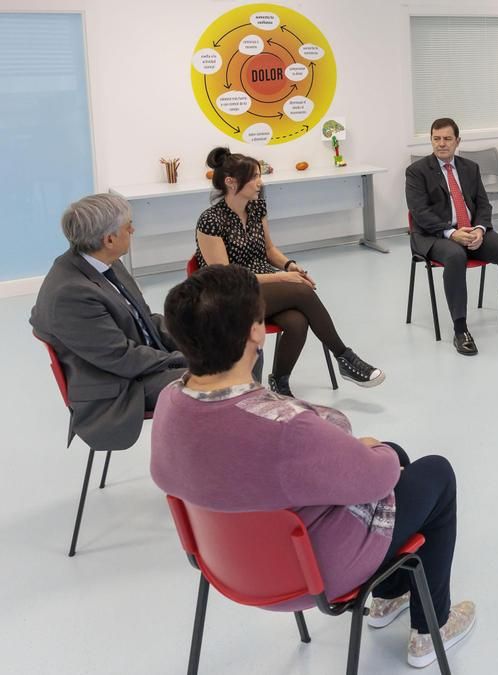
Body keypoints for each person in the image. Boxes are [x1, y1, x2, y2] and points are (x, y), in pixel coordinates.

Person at [150, 264, 474, 668]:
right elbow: (377, 476)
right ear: (255, 332)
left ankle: (389, 595)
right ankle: (431, 630)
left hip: (225, 562)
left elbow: (169, 474)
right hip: (309, 574)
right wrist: (375, 453)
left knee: (393, 454)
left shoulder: (169, 402)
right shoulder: (286, 427)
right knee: (432, 472)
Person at [195, 146, 383, 396]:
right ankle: (344, 357)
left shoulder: (256, 208)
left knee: (297, 321)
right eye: (253, 177)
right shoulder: (210, 220)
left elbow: (269, 249)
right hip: (229, 295)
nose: (259, 182)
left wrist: (290, 266)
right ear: (231, 182)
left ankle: (280, 383)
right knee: (301, 292)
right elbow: (227, 275)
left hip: (263, 285)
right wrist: (283, 277)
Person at [30, 193, 187, 451]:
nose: (133, 230)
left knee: (230, 349)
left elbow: (145, 319)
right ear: (109, 239)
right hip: (120, 387)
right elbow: (123, 358)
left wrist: (196, 340)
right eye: (128, 226)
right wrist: (185, 358)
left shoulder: (102, 261)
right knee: (215, 379)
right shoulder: (71, 293)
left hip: (138, 364)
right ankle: (212, 468)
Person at [405, 117, 498, 356]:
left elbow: (483, 204)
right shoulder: (416, 172)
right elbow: (420, 213)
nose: (441, 144)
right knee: (456, 256)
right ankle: (460, 329)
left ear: (457, 141)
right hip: (434, 235)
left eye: (447, 138)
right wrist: (451, 233)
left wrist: (479, 229)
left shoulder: (470, 167)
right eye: (436, 139)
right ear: (430, 140)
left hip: (471, 231)